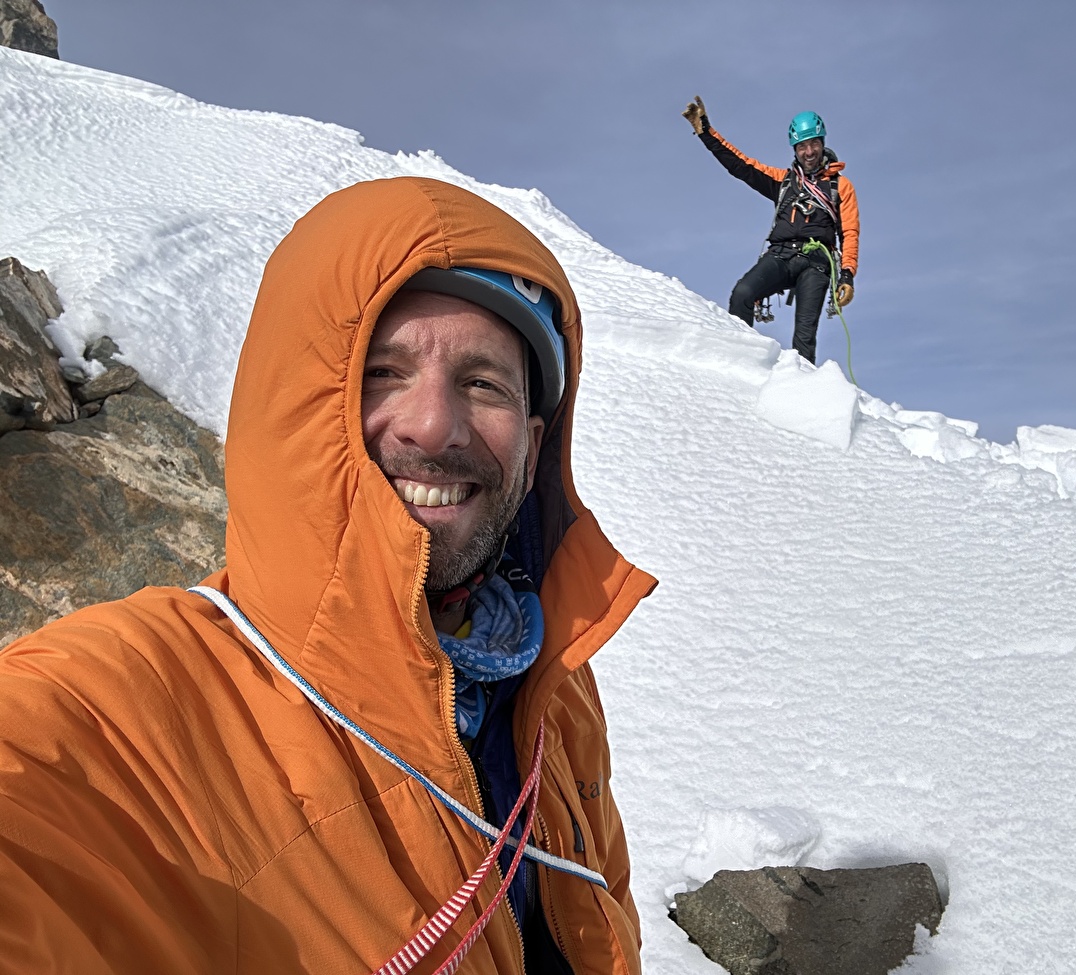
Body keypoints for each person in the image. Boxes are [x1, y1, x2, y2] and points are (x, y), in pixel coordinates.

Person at [0, 177, 657, 975]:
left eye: (484, 383)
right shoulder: (132, 696)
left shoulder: (552, 687)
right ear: (299, 401)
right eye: (384, 371)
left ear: (534, 436)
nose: (434, 424)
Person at [683, 95, 860, 364]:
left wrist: (846, 275)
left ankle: (801, 393)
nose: (808, 152)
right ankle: (740, 363)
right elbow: (740, 165)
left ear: (822, 143)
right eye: (802, 146)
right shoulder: (784, 182)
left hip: (817, 263)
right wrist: (705, 131)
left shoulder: (840, 186)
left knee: (805, 334)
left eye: (813, 144)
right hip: (781, 255)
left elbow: (850, 232)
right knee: (743, 293)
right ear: (794, 149)